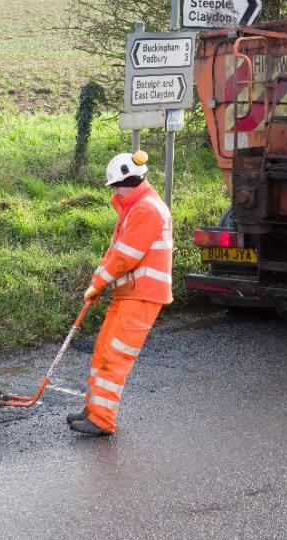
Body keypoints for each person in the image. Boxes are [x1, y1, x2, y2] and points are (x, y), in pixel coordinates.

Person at [68, 150, 173, 436]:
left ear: (131, 180)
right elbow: (114, 253)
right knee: (102, 349)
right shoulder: (134, 207)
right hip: (128, 293)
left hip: (142, 296)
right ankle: (92, 409)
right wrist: (97, 283)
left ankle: (102, 420)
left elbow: (126, 257)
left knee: (115, 357)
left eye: (116, 186)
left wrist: (98, 283)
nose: (115, 192)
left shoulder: (146, 209)